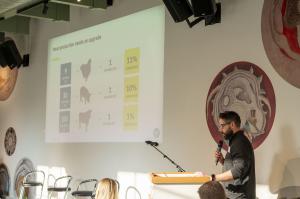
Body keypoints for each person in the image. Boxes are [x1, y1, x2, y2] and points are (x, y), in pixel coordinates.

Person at [212, 111, 256, 199]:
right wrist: (223, 161)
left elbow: (238, 171)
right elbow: (237, 166)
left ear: (232, 124)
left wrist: (213, 178)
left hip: (239, 196)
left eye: (222, 125)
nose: (220, 130)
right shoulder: (236, 140)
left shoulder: (239, 142)